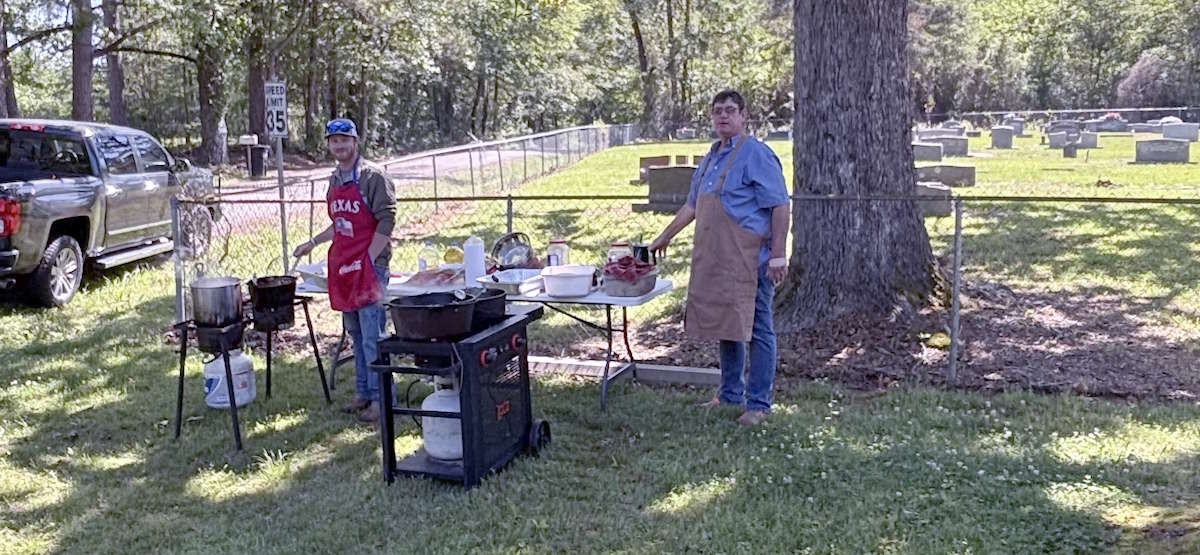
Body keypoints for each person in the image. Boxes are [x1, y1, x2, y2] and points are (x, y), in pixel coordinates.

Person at [649, 90, 790, 427]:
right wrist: (663, 237)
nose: (723, 117)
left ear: (744, 116)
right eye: (717, 112)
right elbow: (693, 206)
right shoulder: (711, 157)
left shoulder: (756, 153)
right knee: (727, 325)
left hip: (751, 259)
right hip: (718, 259)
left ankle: (759, 405)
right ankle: (729, 394)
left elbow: (780, 205)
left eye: (730, 111)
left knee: (758, 330)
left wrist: (779, 256)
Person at [294, 118, 396, 423]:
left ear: (355, 142)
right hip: (344, 267)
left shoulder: (373, 176)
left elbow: (387, 220)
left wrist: (370, 258)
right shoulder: (334, 179)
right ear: (328, 144)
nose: (339, 145)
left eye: (344, 140)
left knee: (373, 336)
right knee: (354, 332)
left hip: (369, 268)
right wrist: (311, 242)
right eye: (333, 140)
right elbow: (339, 223)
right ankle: (364, 393)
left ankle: (382, 399)